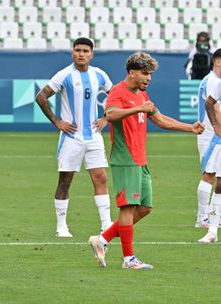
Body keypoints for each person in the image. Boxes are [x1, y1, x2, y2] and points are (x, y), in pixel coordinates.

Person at [88, 52, 204, 270]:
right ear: (132, 72)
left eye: (150, 74)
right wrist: (138, 108)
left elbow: (159, 119)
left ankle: (102, 240)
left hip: (140, 159)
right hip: (125, 159)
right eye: (145, 73)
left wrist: (189, 128)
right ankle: (128, 259)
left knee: (144, 208)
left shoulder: (142, 94)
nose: (149, 78)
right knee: (128, 207)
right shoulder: (118, 92)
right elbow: (110, 115)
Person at [35, 37, 113, 237]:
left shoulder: (100, 75)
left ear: (92, 54)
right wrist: (58, 122)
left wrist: (106, 118)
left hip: (94, 136)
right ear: (72, 53)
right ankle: (61, 226)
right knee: (65, 181)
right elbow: (41, 97)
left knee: (100, 177)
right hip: (71, 137)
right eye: (77, 50)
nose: (81, 54)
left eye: (85, 51)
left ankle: (106, 225)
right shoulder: (64, 75)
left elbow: (114, 97)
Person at [194, 49, 221, 232]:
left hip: (214, 134)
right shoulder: (212, 80)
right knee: (209, 175)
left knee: (218, 176)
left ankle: (212, 215)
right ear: (218, 61)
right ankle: (202, 217)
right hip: (211, 134)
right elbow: (215, 107)